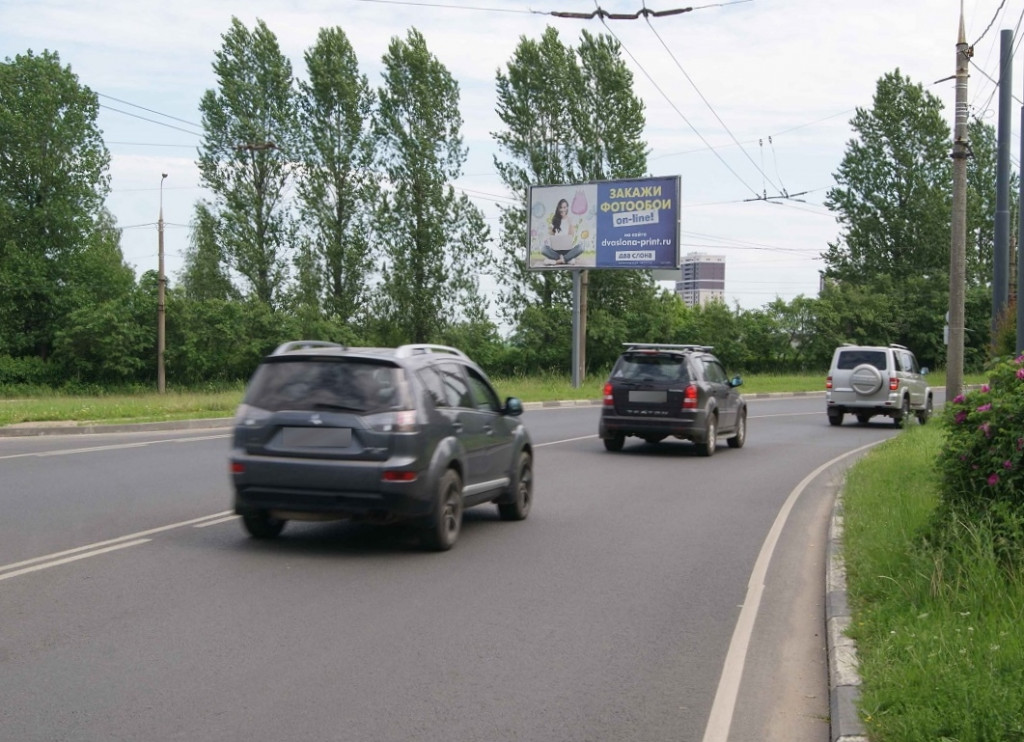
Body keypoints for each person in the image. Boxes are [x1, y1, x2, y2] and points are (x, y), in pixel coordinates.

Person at [541, 198, 584, 265]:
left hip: (567, 250)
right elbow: (551, 236)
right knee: (543, 249)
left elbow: (571, 236)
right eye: (561, 207)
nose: (562, 210)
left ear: (567, 208)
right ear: (558, 208)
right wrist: (550, 229)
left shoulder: (570, 220)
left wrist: (570, 224)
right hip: (556, 251)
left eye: (564, 207)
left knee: (581, 247)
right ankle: (567, 259)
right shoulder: (555, 220)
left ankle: (557, 261)